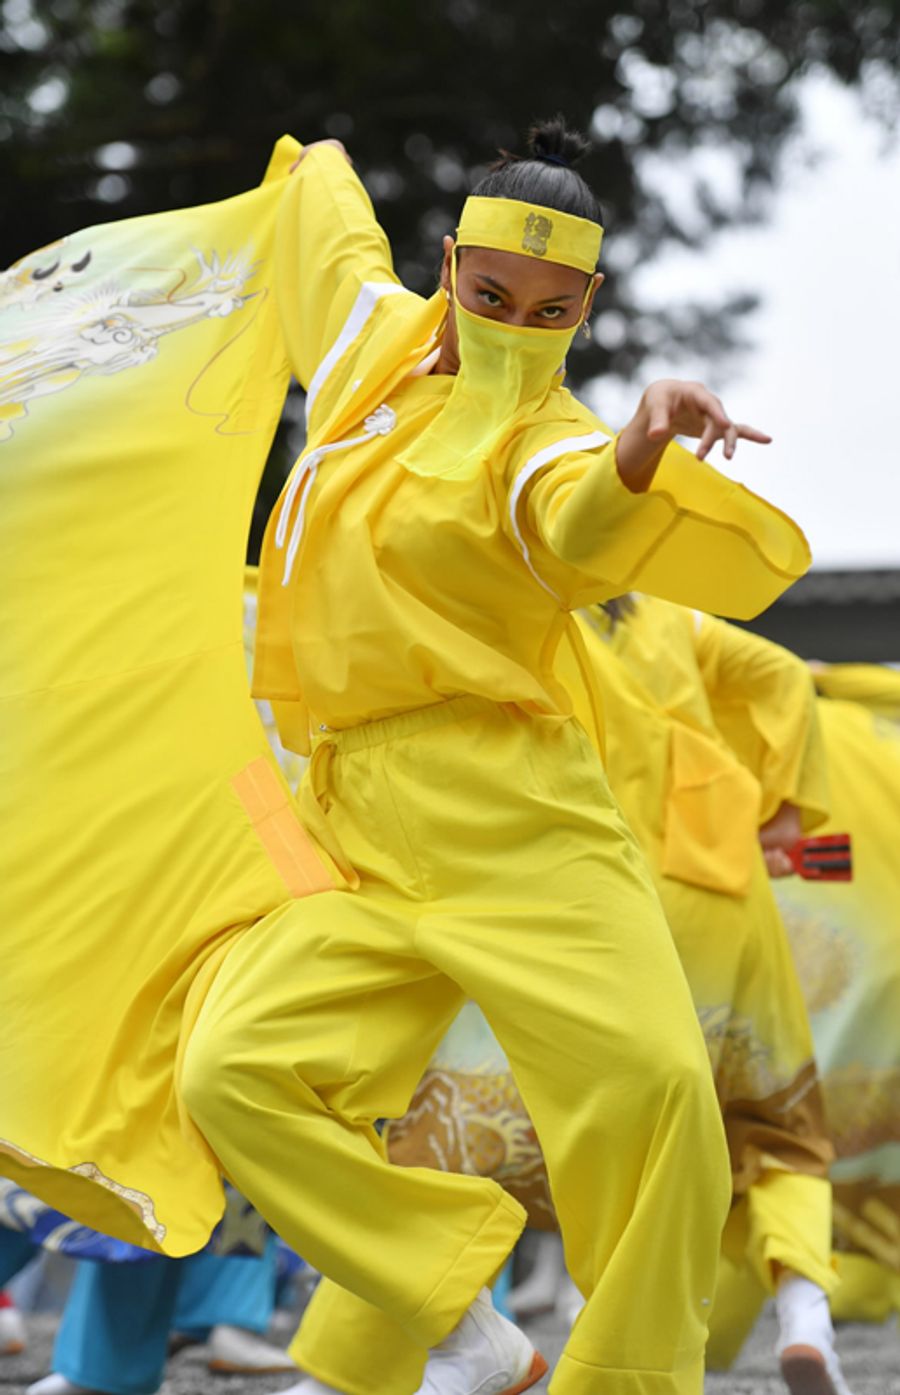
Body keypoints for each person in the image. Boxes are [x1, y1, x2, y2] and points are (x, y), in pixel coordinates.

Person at [174, 114, 814, 1395]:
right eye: (490, 292)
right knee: (229, 1071)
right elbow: (330, 242)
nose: (513, 325)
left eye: (550, 308)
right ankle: (465, 1326)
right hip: (353, 816)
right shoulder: (368, 345)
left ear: (585, 309)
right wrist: (319, 165)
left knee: (658, 1095)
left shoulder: (547, 433)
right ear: (449, 265)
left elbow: (571, 518)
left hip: (515, 813)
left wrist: (637, 449)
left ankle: (629, 1377)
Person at [271, 596, 852, 1395]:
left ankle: (344, 1374)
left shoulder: (525, 615)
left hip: (594, 890)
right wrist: (785, 810)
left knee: (460, 1135)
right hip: (721, 887)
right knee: (774, 1124)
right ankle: (805, 1316)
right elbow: (782, 674)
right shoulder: (677, 624)